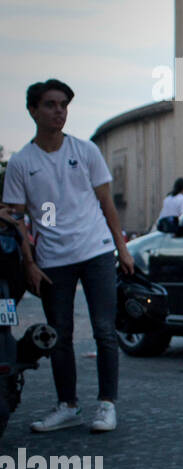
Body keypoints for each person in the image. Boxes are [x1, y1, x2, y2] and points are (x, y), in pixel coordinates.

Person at [2, 79, 133, 434]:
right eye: (50, 104)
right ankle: (67, 405)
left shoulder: (86, 150)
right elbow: (15, 217)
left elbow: (107, 202)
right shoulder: (21, 162)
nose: (58, 111)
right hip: (52, 259)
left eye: (63, 105)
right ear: (33, 110)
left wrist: (122, 248)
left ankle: (106, 405)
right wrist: (28, 262)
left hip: (96, 251)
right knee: (59, 334)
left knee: (105, 330)